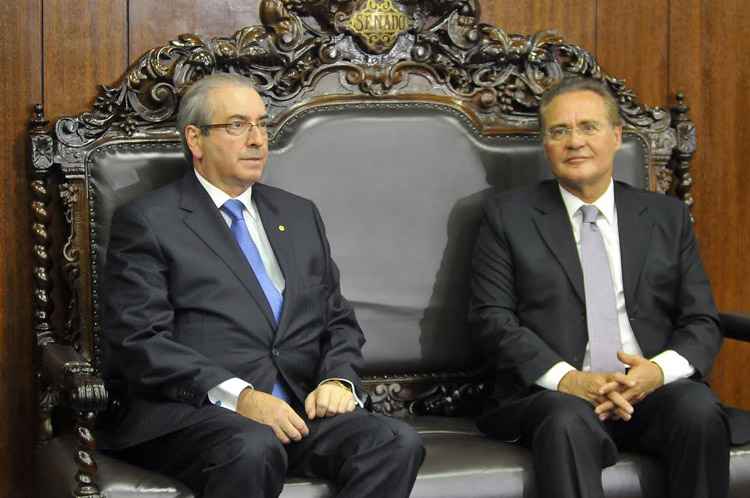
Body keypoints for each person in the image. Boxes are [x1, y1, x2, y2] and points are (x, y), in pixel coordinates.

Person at [100, 72, 424, 498]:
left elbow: (338, 319)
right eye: (237, 125)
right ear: (195, 140)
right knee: (253, 446)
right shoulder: (149, 221)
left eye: (261, 123)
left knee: (395, 442)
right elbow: (139, 341)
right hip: (199, 415)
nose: (256, 139)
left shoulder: (299, 214)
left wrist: (337, 380)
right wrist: (242, 397)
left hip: (296, 410)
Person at [469, 77, 731, 498]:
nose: (575, 141)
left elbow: (701, 319)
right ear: (546, 145)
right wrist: (571, 380)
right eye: (559, 131)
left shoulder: (666, 217)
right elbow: (491, 319)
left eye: (588, 127)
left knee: (697, 410)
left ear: (616, 136)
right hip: (555, 395)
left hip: (648, 390)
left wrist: (655, 373)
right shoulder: (508, 217)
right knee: (566, 418)